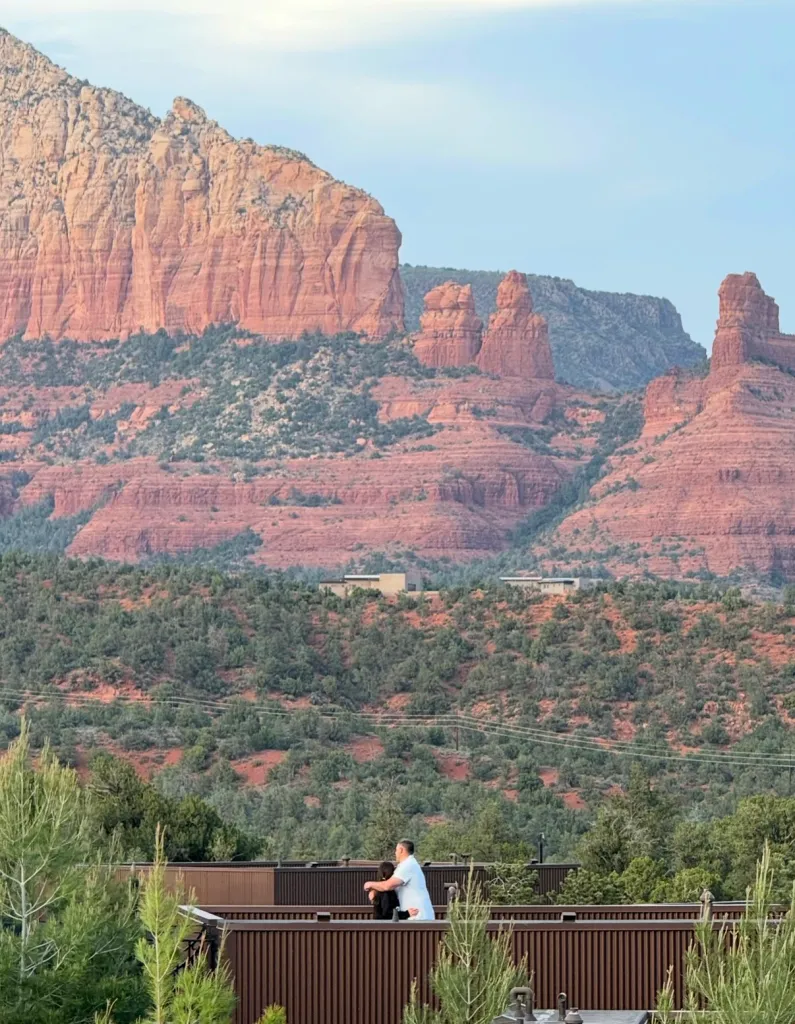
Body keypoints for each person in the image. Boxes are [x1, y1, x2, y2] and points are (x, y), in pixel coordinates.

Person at [363, 839, 435, 921]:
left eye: (396, 850)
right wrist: (374, 891)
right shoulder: (407, 865)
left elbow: (388, 885)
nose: (395, 853)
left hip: (418, 916)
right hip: (414, 915)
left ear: (401, 850)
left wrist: (369, 884)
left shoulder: (408, 865)